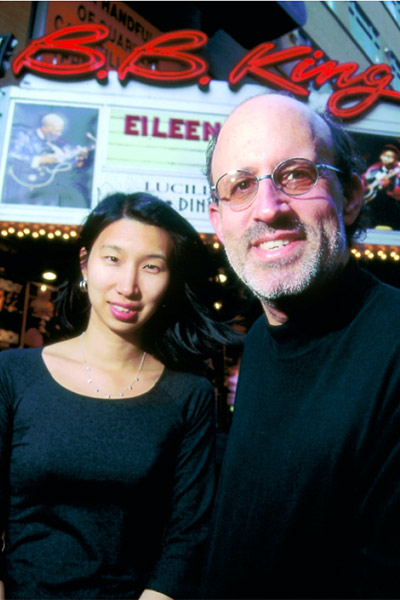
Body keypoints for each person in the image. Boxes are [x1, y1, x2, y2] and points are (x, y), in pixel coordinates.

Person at [202, 93, 400, 599]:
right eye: (241, 186)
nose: (268, 209)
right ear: (218, 219)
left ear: (352, 195)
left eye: (296, 175)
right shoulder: (264, 341)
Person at [0, 192, 238, 599]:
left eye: (151, 267)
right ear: (85, 264)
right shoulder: (13, 373)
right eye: (112, 259)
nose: (128, 286)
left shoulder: (189, 395)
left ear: (169, 281)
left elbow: (188, 538)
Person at [3, 112, 93, 207]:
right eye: (57, 131)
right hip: (20, 187)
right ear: (46, 127)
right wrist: (39, 160)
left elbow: (65, 164)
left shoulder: (59, 143)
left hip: (45, 191)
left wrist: (79, 160)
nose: (59, 134)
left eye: (60, 131)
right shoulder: (24, 136)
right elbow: (10, 155)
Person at [362, 144, 400, 229]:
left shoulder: (397, 170)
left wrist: (390, 185)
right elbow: (366, 182)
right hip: (375, 204)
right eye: (386, 156)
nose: (387, 159)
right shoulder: (374, 168)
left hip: (393, 205)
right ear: (381, 156)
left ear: (396, 158)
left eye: (391, 157)